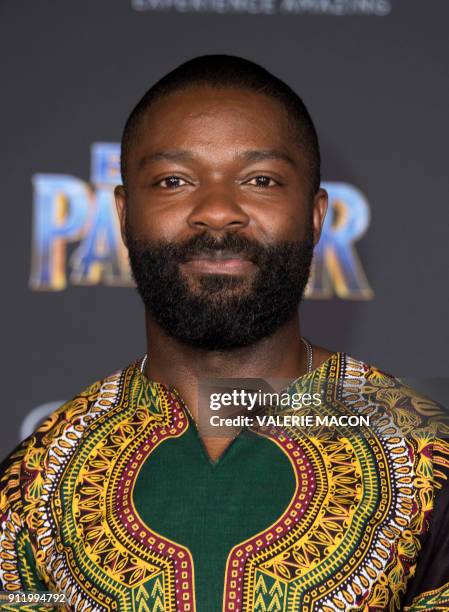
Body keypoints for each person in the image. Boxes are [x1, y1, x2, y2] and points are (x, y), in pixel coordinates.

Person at [1, 55, 448, 612]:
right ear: (123, 213)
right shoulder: (35, 480)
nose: (216, 211)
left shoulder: (427, 455)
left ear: (315, 216)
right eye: (174, 180)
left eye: (260, 180)